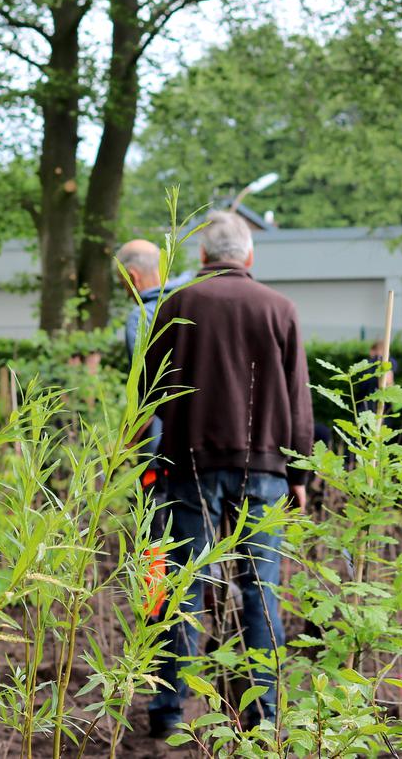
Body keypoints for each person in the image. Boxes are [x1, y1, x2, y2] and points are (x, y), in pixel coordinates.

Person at [144, 210, 313, 737]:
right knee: (260, 588)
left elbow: (150, 389)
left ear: (202, 257)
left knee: (182, 588)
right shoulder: (279, 308)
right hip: (262, 466)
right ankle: (263, 717)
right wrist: (300, 470)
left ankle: (169, 716)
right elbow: (298, 395)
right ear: (250, 257)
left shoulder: (177, 305)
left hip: (189, 464)